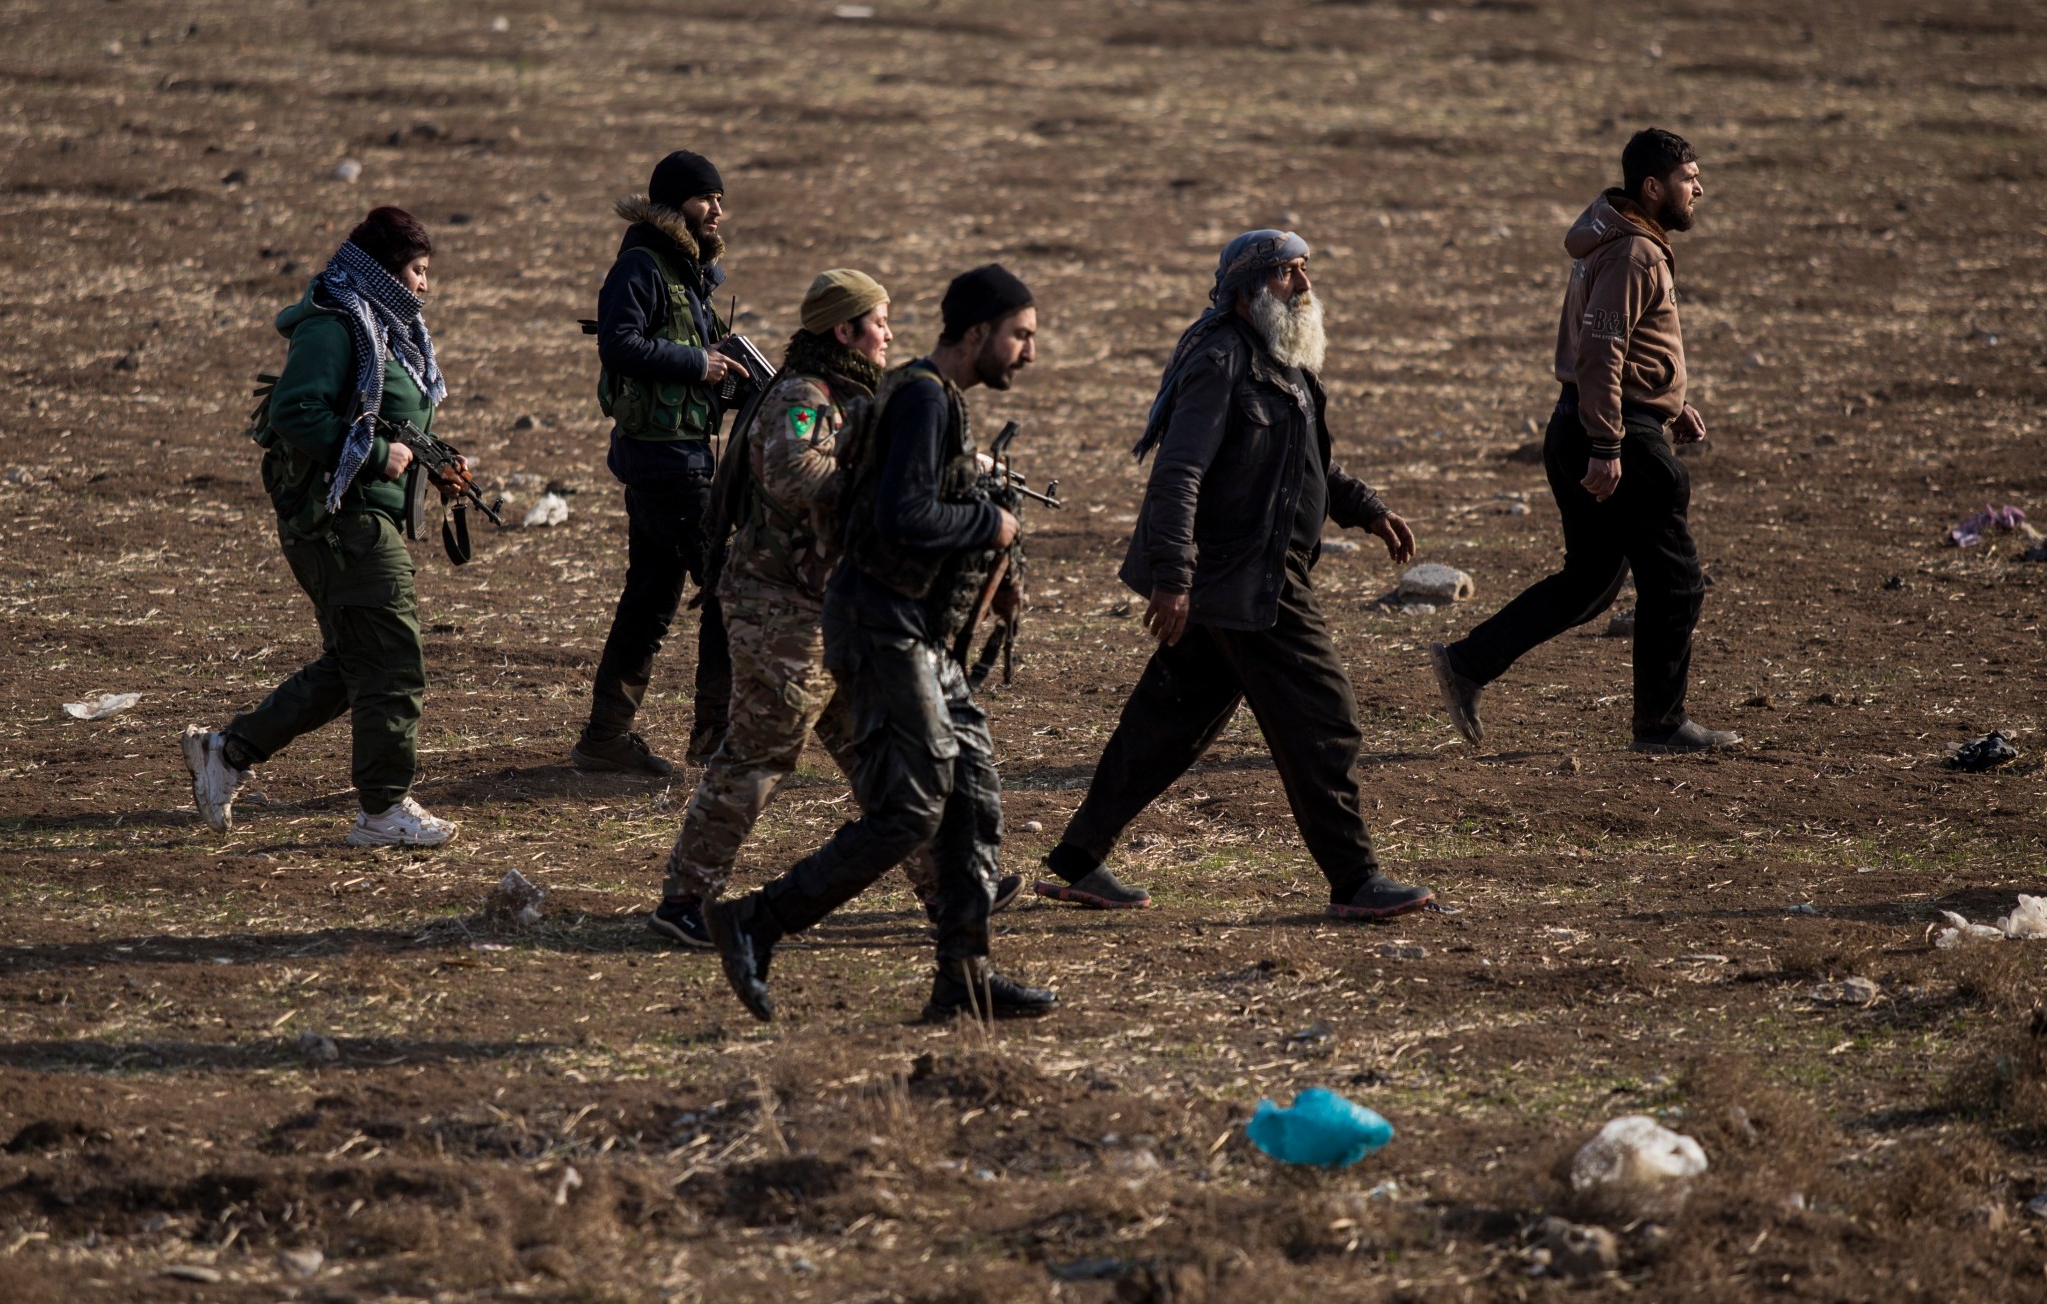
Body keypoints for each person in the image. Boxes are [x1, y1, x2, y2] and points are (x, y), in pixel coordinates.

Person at [1034, 230, 1440, 921]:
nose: (1304, 287)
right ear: (1248, 291)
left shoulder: (1283, 362)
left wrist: (1366, 511)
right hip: (1245, 578)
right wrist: (1172, 577)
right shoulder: (1222, 361)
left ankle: (1078, 861)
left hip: (1236, 579)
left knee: (1164, 725)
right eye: (1287, 275)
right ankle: (1354, 881)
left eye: (1305, 272)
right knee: (1324, 716)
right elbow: (1178, 473)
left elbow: (1309, 463)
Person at [704, 265, 1054, 1023]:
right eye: (1020, 336)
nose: (1029, 353)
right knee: (912, 808)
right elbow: (904, 517)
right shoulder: (923, 398)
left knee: (973, 795)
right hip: (879, 627)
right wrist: (990, 527)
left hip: (913, 628)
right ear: (975, 334)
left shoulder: (920, 394)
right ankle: (756, 921)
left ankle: (964, 974)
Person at [1429, 129, 1738, 755]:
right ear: (1652, 188)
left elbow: (1618, 350)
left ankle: (1467, 663)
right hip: (1608, 434)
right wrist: (1610, 443)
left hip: (1587, 423)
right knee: (1676, 581)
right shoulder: (1634, 254)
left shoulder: (1619, 240)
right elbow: (1601, 351)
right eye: (1688, 178)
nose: (1699, 189)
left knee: (1591, 580)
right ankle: (1660, 724)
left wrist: (1669, 402)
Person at [180, 207, 462, 847]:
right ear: (386, 271)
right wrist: (368, 455)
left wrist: (437, 461)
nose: (426, 285)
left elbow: (387, 419)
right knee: (391, 665)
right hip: (342, 524)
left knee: (355, 664)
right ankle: (383, 811)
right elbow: (295, 411)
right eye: (418, 271)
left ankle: (227, 754)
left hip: (366, 516)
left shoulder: (385, 327)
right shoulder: (338, 325)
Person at [571, 150, 744, 776]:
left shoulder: (682, 270)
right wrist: (700, 363)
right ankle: (716, 738)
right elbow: (619, 344)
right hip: (666, 458)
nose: (718, 210)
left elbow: (660, 343)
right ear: (674, 205)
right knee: (728, 585)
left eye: (721, 199)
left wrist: (718, 356)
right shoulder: (641, 265)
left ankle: (604, 738)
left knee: (650, 595)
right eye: (706, 198)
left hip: (674, 450)